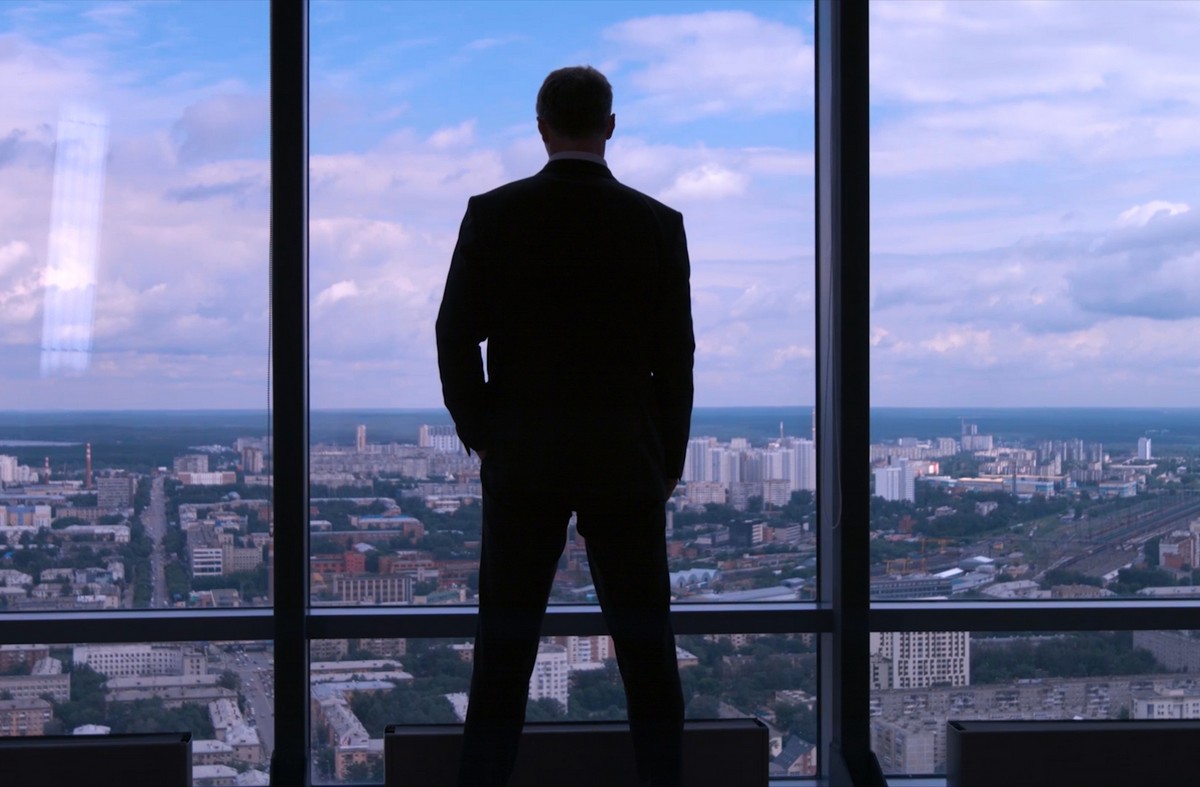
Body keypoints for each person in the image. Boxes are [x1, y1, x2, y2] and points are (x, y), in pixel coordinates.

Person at [436, 65, 695, 787]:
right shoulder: (657, 224)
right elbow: (676, 357)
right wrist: (665, 458)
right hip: (624, 459)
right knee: (647, 652)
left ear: (541, 125)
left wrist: (487, 432)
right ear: (610, 126)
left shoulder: (495, 215)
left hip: (524, 456)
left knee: (504, 652)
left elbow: (454, 335)